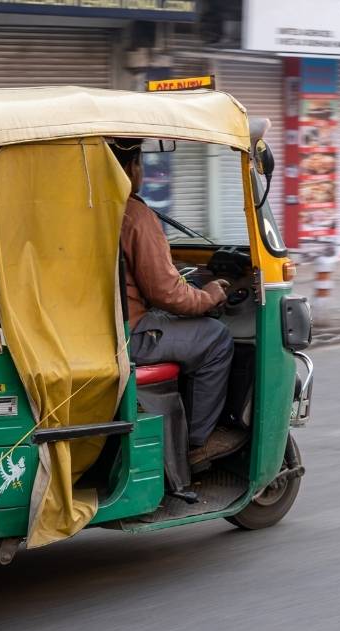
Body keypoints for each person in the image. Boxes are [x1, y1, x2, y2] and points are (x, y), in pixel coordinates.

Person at [109, 138, 241, 465]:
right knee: (216, 338)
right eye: (139, 163)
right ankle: (197, 442)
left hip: (94, 333)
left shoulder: (84, 209)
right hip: (129, 336)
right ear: (129, 168)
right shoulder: (133, 214)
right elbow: (166, 293)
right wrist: (207, 296)